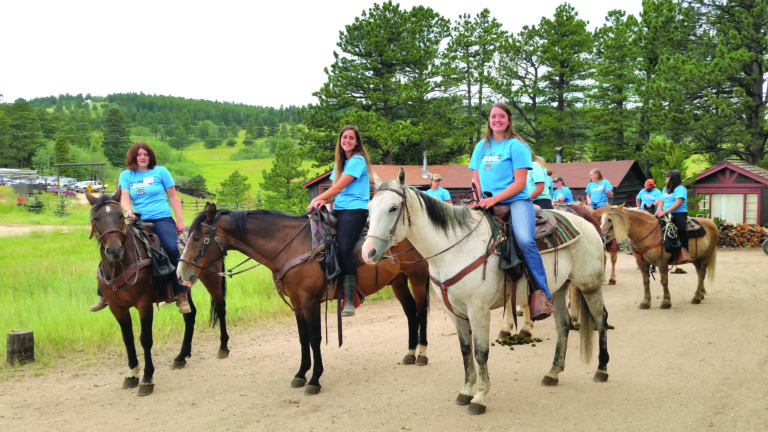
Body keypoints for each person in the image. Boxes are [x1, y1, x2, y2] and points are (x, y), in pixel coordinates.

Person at [469, 102, 553, 313]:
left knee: (525, 240)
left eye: (501, 116)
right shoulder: (481, 146)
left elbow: (520, 183)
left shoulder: (517, 146)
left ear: (508, 120)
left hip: (516, 201)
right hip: (486, 200)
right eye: (493, 116)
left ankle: (543, 295)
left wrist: (494, 199)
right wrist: (478, 197)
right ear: (489, 120)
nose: (496, 120)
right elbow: (475, 177)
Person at [90, 141, 190, 313]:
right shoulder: (126, 175)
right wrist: (128, 210)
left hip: (162, 218)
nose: (142, 157)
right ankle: (104, 294)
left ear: (150, 157)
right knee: (112, 245)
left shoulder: (161, 172)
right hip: (138, 220)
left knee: (171, 249)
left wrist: (179, 220)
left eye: (146, 154)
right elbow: (124, 197)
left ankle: (181, 294)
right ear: (133, 157)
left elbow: (173, 197)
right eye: (139, 155)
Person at [307, 125, 372, 317]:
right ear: (340, 140)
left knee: (344, 248)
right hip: (339, 208)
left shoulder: (358, 160)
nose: (347, 141)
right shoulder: (340, 164)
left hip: (356, 210)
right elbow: (336, 191)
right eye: (344, 138)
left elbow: (337, 188)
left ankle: (351, 299)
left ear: (357, 142)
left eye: (351, 138)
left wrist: (319, 198)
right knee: (317, 235)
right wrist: (322, 203)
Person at [655, 170, 692, 265]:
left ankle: (684, 251)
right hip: (664, 212)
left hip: (678, 212)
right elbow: (661, 201)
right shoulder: (665, 189)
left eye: (667, 177)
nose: (666, 179)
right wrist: (658, 210)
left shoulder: (680, 189)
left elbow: (678, 203)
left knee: (680, 229)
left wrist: (665, 211)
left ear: (672, 179)